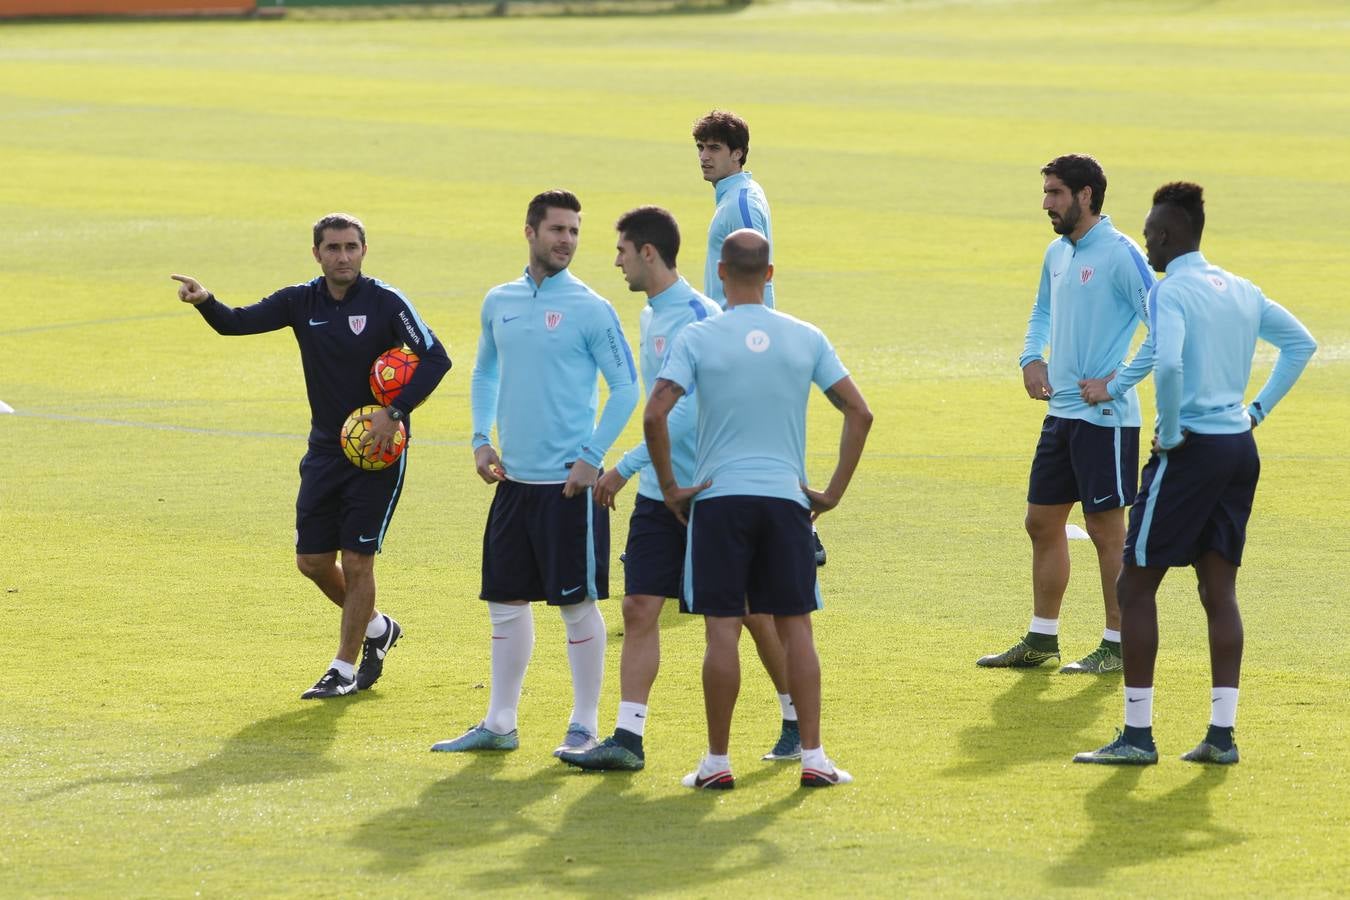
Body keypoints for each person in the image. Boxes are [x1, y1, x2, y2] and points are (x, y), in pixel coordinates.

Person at [1074, 182, 1316, 765]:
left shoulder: (1170, 291)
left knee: (1135, 583)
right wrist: (1255, 410)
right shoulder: (1240, 287)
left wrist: (1175, 428)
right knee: (1218, 589)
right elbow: (1300, 345)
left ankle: (1137, 736)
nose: (1148, 244)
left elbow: (1172, 360)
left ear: (1168, 234)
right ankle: (1221, 736)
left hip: (1194, 450)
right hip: (1238, 447)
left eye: (1152, 234)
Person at [172, 213, 451, 699]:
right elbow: (236, 324)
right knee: (313, 561)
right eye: (333, 248)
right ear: (317, 254)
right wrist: (205, 301)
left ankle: (343, 669)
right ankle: (379, 628)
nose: (343, 256)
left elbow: (435, 356)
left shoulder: (386, 302)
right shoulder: (300, 300)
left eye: (351, 247)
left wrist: (396, 410)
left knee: (358, 560)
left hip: (376, 452)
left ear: (364, 251)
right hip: (325, 448)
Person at [558, 206, 795, 773]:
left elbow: (684, 416)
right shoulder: (650, 316)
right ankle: (628, 738)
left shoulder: (695, 316)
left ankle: (793, 719)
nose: (614, 261)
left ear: (647, 252)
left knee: (750, 613)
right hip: (661, 495)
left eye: (621, 251)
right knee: (640, 606)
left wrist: (623, 468)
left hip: (707, 492)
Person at [645, 229, 873, 789]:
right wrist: (833, 491)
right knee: (797, 630)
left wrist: (673, 488)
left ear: (721, 273)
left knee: (722, 632)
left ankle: (717, 763)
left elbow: (655, 415)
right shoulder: (806, 337)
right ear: (769, 274)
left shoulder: (697, 337)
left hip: (720, 501)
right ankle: (814, 757)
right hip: (785, 500)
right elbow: (859, 412)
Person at [432, 189, 640, 757]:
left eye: (574, 231)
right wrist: (479, 439)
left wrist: (593, 455)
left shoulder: (592, 307)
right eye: (557, 230)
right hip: (514, 484)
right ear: (530, 232)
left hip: (569, 489)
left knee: (576, 606)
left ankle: (584, 723)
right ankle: (500, 723)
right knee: (505, 601)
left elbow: (627, 388)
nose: (567, 240)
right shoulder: (498, 300)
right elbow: (484, 372)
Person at [978, 154, 1155, 675]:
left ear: (1085, 195)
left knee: (1105, 531)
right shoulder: (1057, 253)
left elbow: (1163, 326)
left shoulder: (1122, 255)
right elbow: (1042, 311)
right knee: (1041, 521)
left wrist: (1117, 383)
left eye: (1055, 193)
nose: (1046, 204)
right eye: (1045, 193)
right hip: (1062, 413)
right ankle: (1042, 638)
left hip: (1107, 420)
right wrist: (1031, 357)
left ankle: (1117, 644)